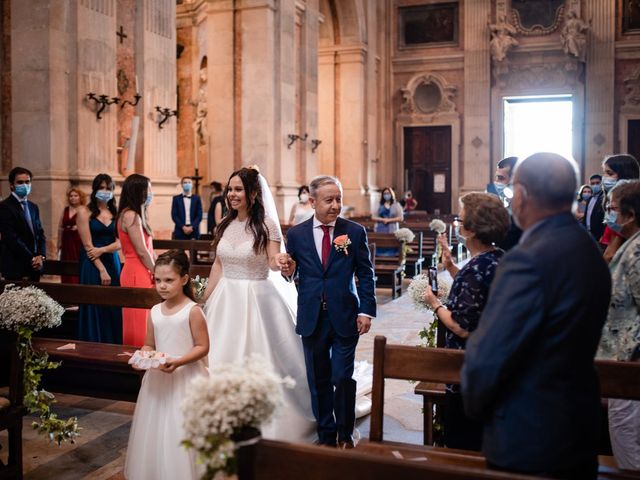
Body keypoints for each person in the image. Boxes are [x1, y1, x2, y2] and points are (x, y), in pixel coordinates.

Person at [461, 153, 611, 479]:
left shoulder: (526, 261)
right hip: (577, 425)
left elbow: (488, 356)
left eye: (513, 189)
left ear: (524, 194)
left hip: (529, 435)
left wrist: (474, 407)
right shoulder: (587, 249)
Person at [202, 166, 316, 441]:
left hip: (257, 298)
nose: (232, 194)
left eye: (238, 189)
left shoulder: (267, 225)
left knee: (261, 357)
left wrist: (281, 262)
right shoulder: (225, 225)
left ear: (253, 193)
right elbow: (219, 263)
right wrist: (205, 298)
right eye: (230, 189)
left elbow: (273, 261)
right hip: (225, 299)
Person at [283, 175, 376, 449]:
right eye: (329, 200)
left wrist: (366, 311)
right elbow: (293, 270)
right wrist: (288, 270)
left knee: (341, 377)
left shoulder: (354, 231)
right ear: (312, 202)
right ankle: (326, 435)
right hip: (312, 316)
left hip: (346, 314)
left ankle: (345, 434)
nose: (336, 205)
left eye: (339, 199)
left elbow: (365, 273)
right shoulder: (297, 235)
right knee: (319, 379)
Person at [423, 192, 509, 451]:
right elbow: (481, 288)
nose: (457, 224)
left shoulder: (476, 268)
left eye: (459, 220)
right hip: (495, 365)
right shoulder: (498, 257)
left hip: (468, 374)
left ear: (470, 229)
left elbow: (462, 326)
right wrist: (450, 267)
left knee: (464, 445)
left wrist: (434, 303)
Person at [125, 249, 209, 480]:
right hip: (159, 380)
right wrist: (143, 357)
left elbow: (202, 347)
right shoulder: (154, 311)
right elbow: (149, 344)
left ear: (184, 279)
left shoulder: (192, 311)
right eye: (158, 280)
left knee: (182, 428)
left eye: (169, 280)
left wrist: (178, 361)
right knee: (158, 429)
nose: (162, 286)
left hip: (186, 378)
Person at [596, 180, 640, 470]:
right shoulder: (630, 244)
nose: (607, 216)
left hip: (630, 362)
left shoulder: (638, 252)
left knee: (627, 441)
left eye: (612, 209)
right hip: (621, 359)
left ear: (631, 214)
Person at [76, 175, 122, 343]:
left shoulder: (117, 213)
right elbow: (88, 246)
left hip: (112, 261)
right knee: (94, 304)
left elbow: (121, 242)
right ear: (95, 190)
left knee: (113, 305)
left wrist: (102, 249)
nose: (105, 191)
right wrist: (101, 269)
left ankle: (112, 343)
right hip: (92, 263)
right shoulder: (84, 212)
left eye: (108, 188)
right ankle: (92, 343)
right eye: (101, 188)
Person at [118, 174, 156, 346]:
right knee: (137, 320)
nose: (151, 193)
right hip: (136, 271)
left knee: (144, 318)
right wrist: (157, 271)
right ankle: (136, 358)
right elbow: (141, 251)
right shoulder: (131, 215)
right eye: (148, 189)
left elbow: (149, 250)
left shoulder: (134, 214)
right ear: (138, 191)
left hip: (140, 269)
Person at [0, 167, 46, 281]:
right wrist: (32, 259)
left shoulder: (33, 207)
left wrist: (41, 256)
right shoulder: (4, 206)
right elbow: (11, 238)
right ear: (12, 185)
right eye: (20, 182)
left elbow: (40, 234)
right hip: (15, 266)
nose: (24, 185)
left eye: (27, 182)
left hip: (35, 267)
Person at [600, 154, 640, 263]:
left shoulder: (623, 202)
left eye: (609, 173)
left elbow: (610, 254)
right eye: (604, 172)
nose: (604, 177)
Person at [486, 156, 522, 250]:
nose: (496, 182)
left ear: (515, 180)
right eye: (496, 177)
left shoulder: (524, 214)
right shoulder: (500, 208)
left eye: (501, 178)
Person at [57, 187, 85, 283]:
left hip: (78, 240)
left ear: (80, 197)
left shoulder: (84, 209)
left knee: (77, 262)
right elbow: (60, 227)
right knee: (65, 263)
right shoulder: (65, 209)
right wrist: (59, 244)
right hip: (66, 240)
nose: (73, 198)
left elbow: (88, 225)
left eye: (75, 196)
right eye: (71, 196)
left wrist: (79, 227)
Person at [582, 174, 605, 244]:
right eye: (592, 183)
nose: (595, 185)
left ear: (602, 183)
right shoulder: (590, 198)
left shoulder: (604, 198)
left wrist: (603, 235)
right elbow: (586, 215)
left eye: (597, 183)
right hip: (588, 232)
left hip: (599, 234)